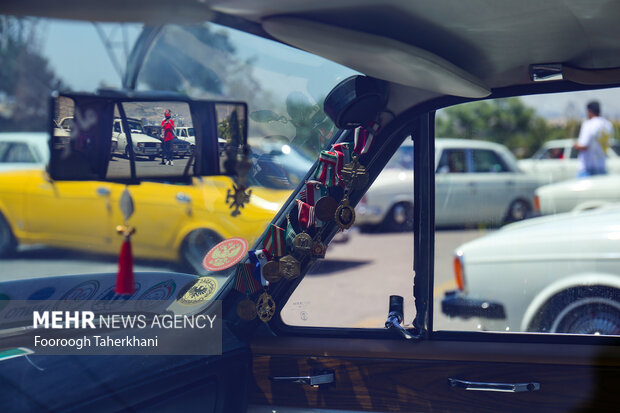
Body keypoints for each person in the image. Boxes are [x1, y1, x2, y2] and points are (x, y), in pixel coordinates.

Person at [574, 100, 614, 178]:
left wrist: (575, 145)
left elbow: (584, 145)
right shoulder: (608, 125)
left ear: (589, 111)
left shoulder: (588, 124)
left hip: (588, 169)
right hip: (602, 166)